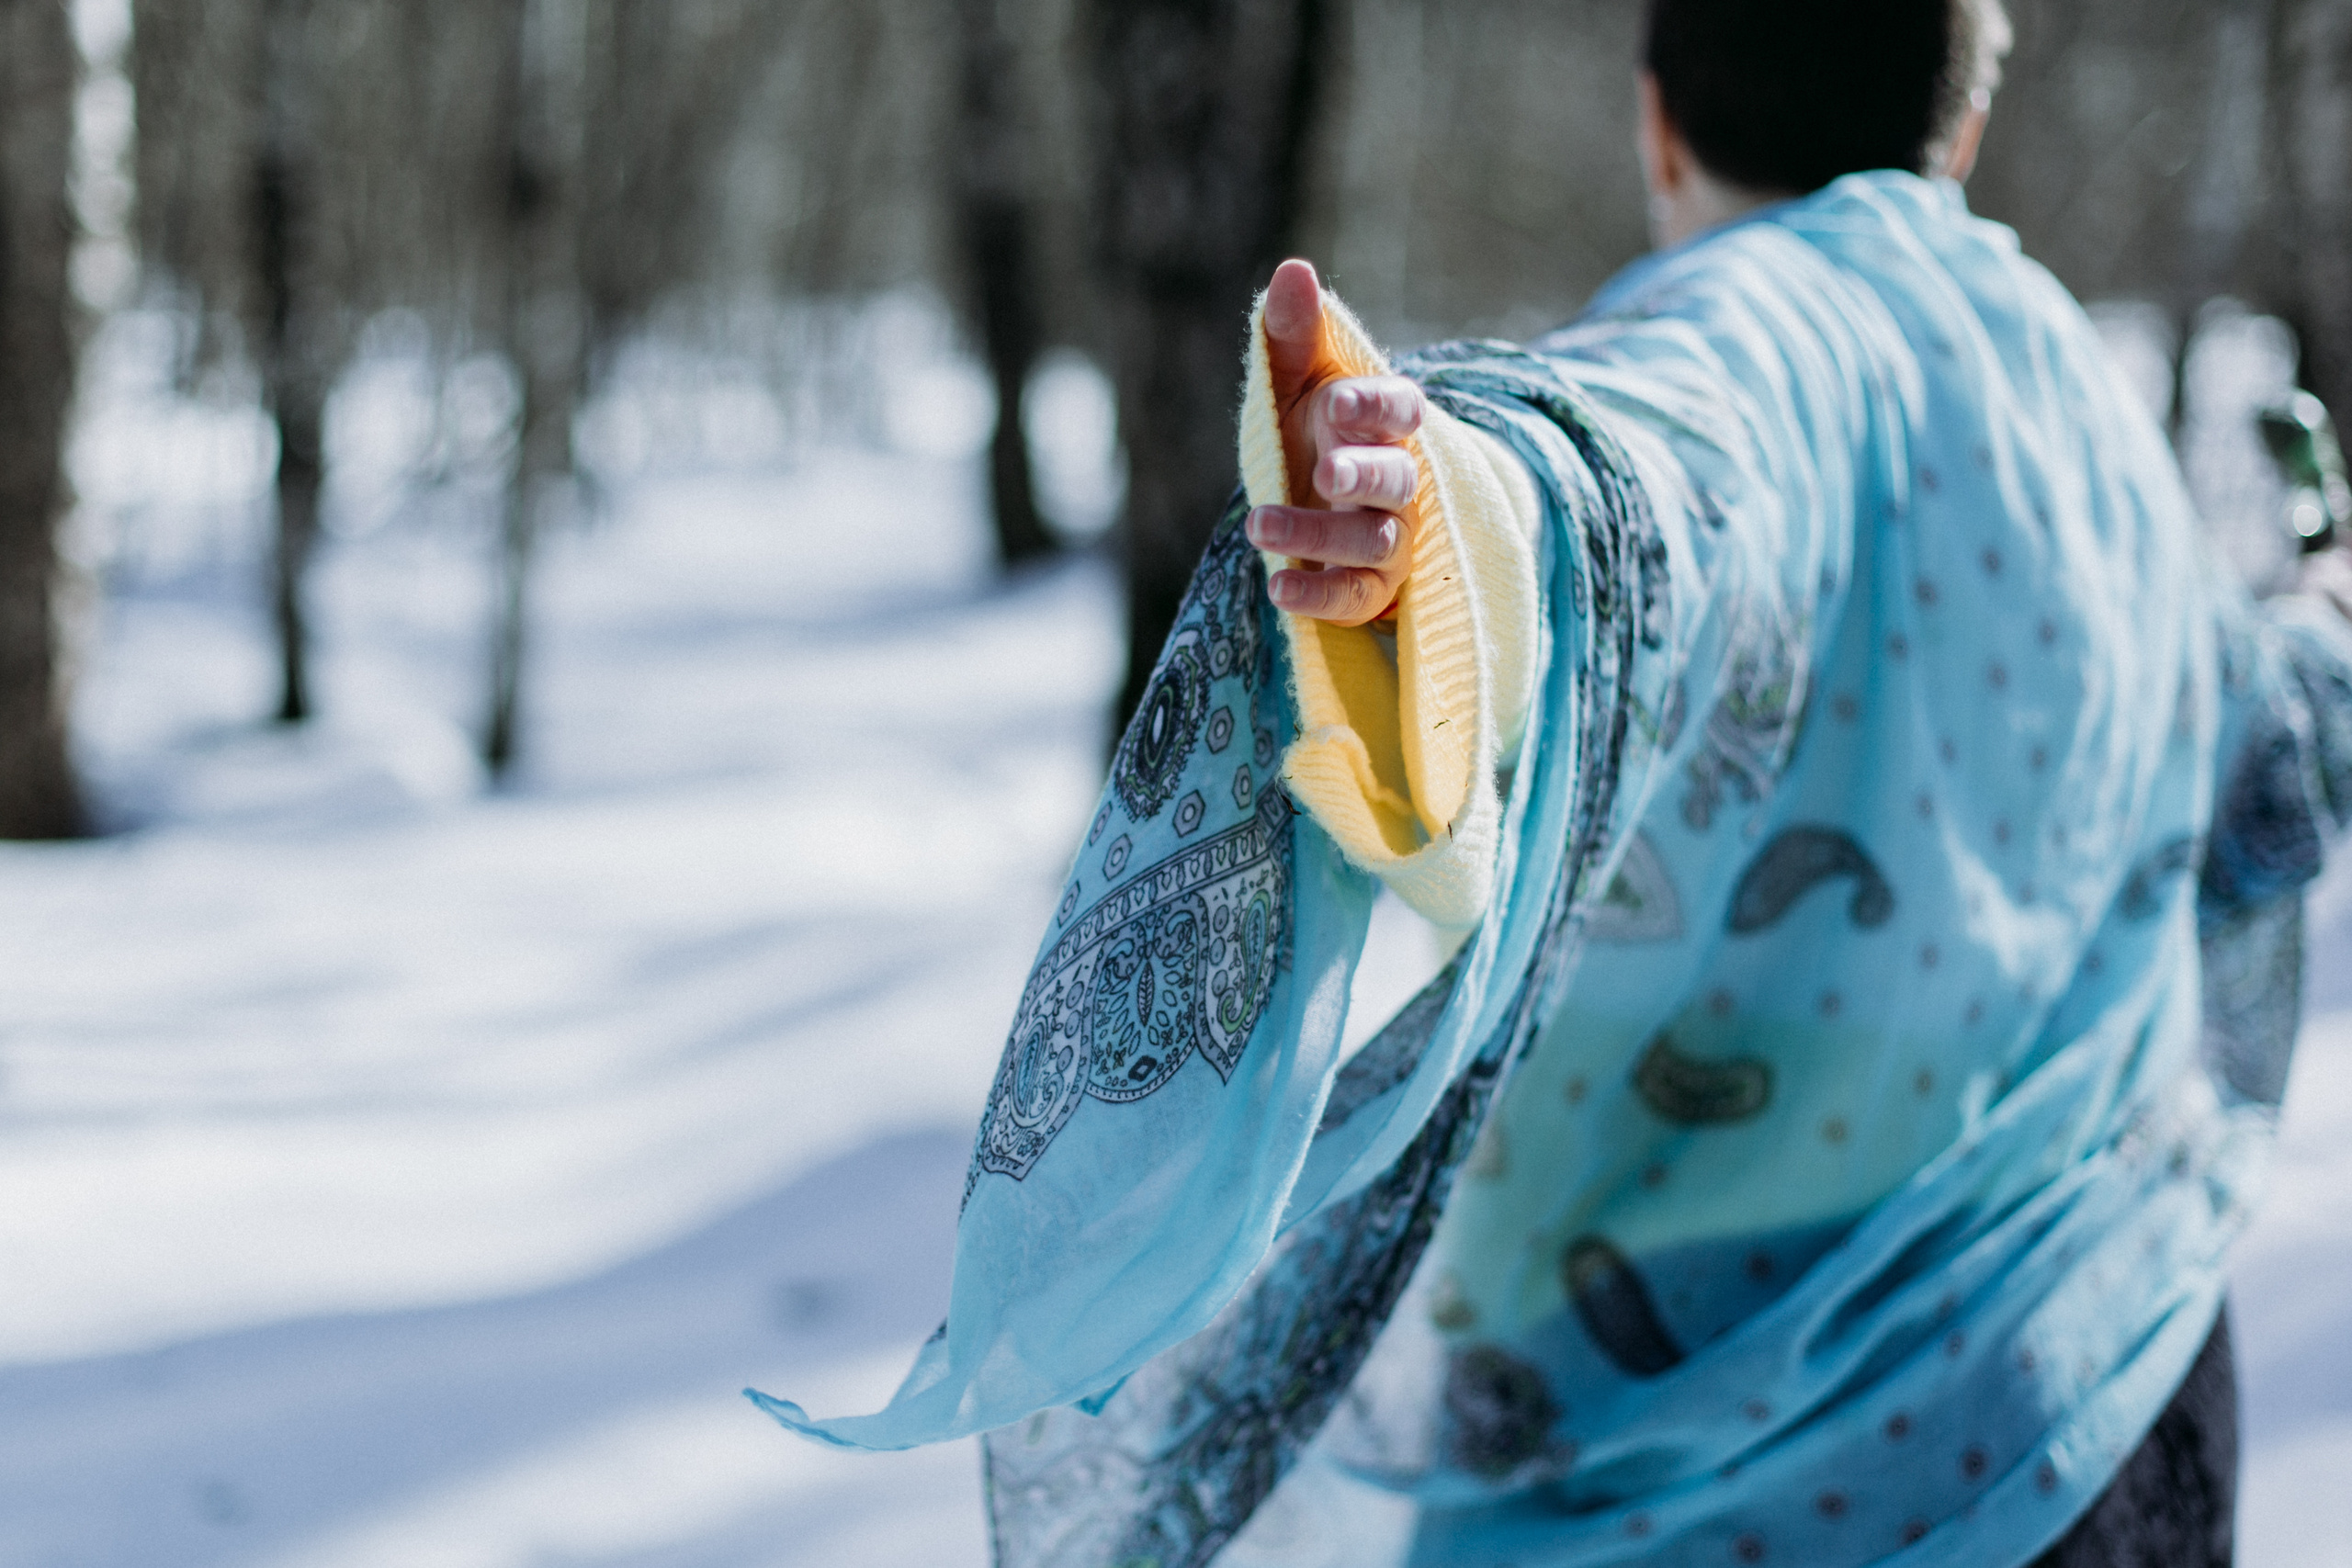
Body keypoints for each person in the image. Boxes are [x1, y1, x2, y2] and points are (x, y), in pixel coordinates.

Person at [755, 2, 2352, 1564]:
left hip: (1714, 1486)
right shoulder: (2084, 403)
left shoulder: (1753, 332)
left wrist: (1436, 527)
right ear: (1970, 130)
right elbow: (2247, 745)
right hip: (2115, 1401)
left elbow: (1620, 478)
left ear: (1655, 121)